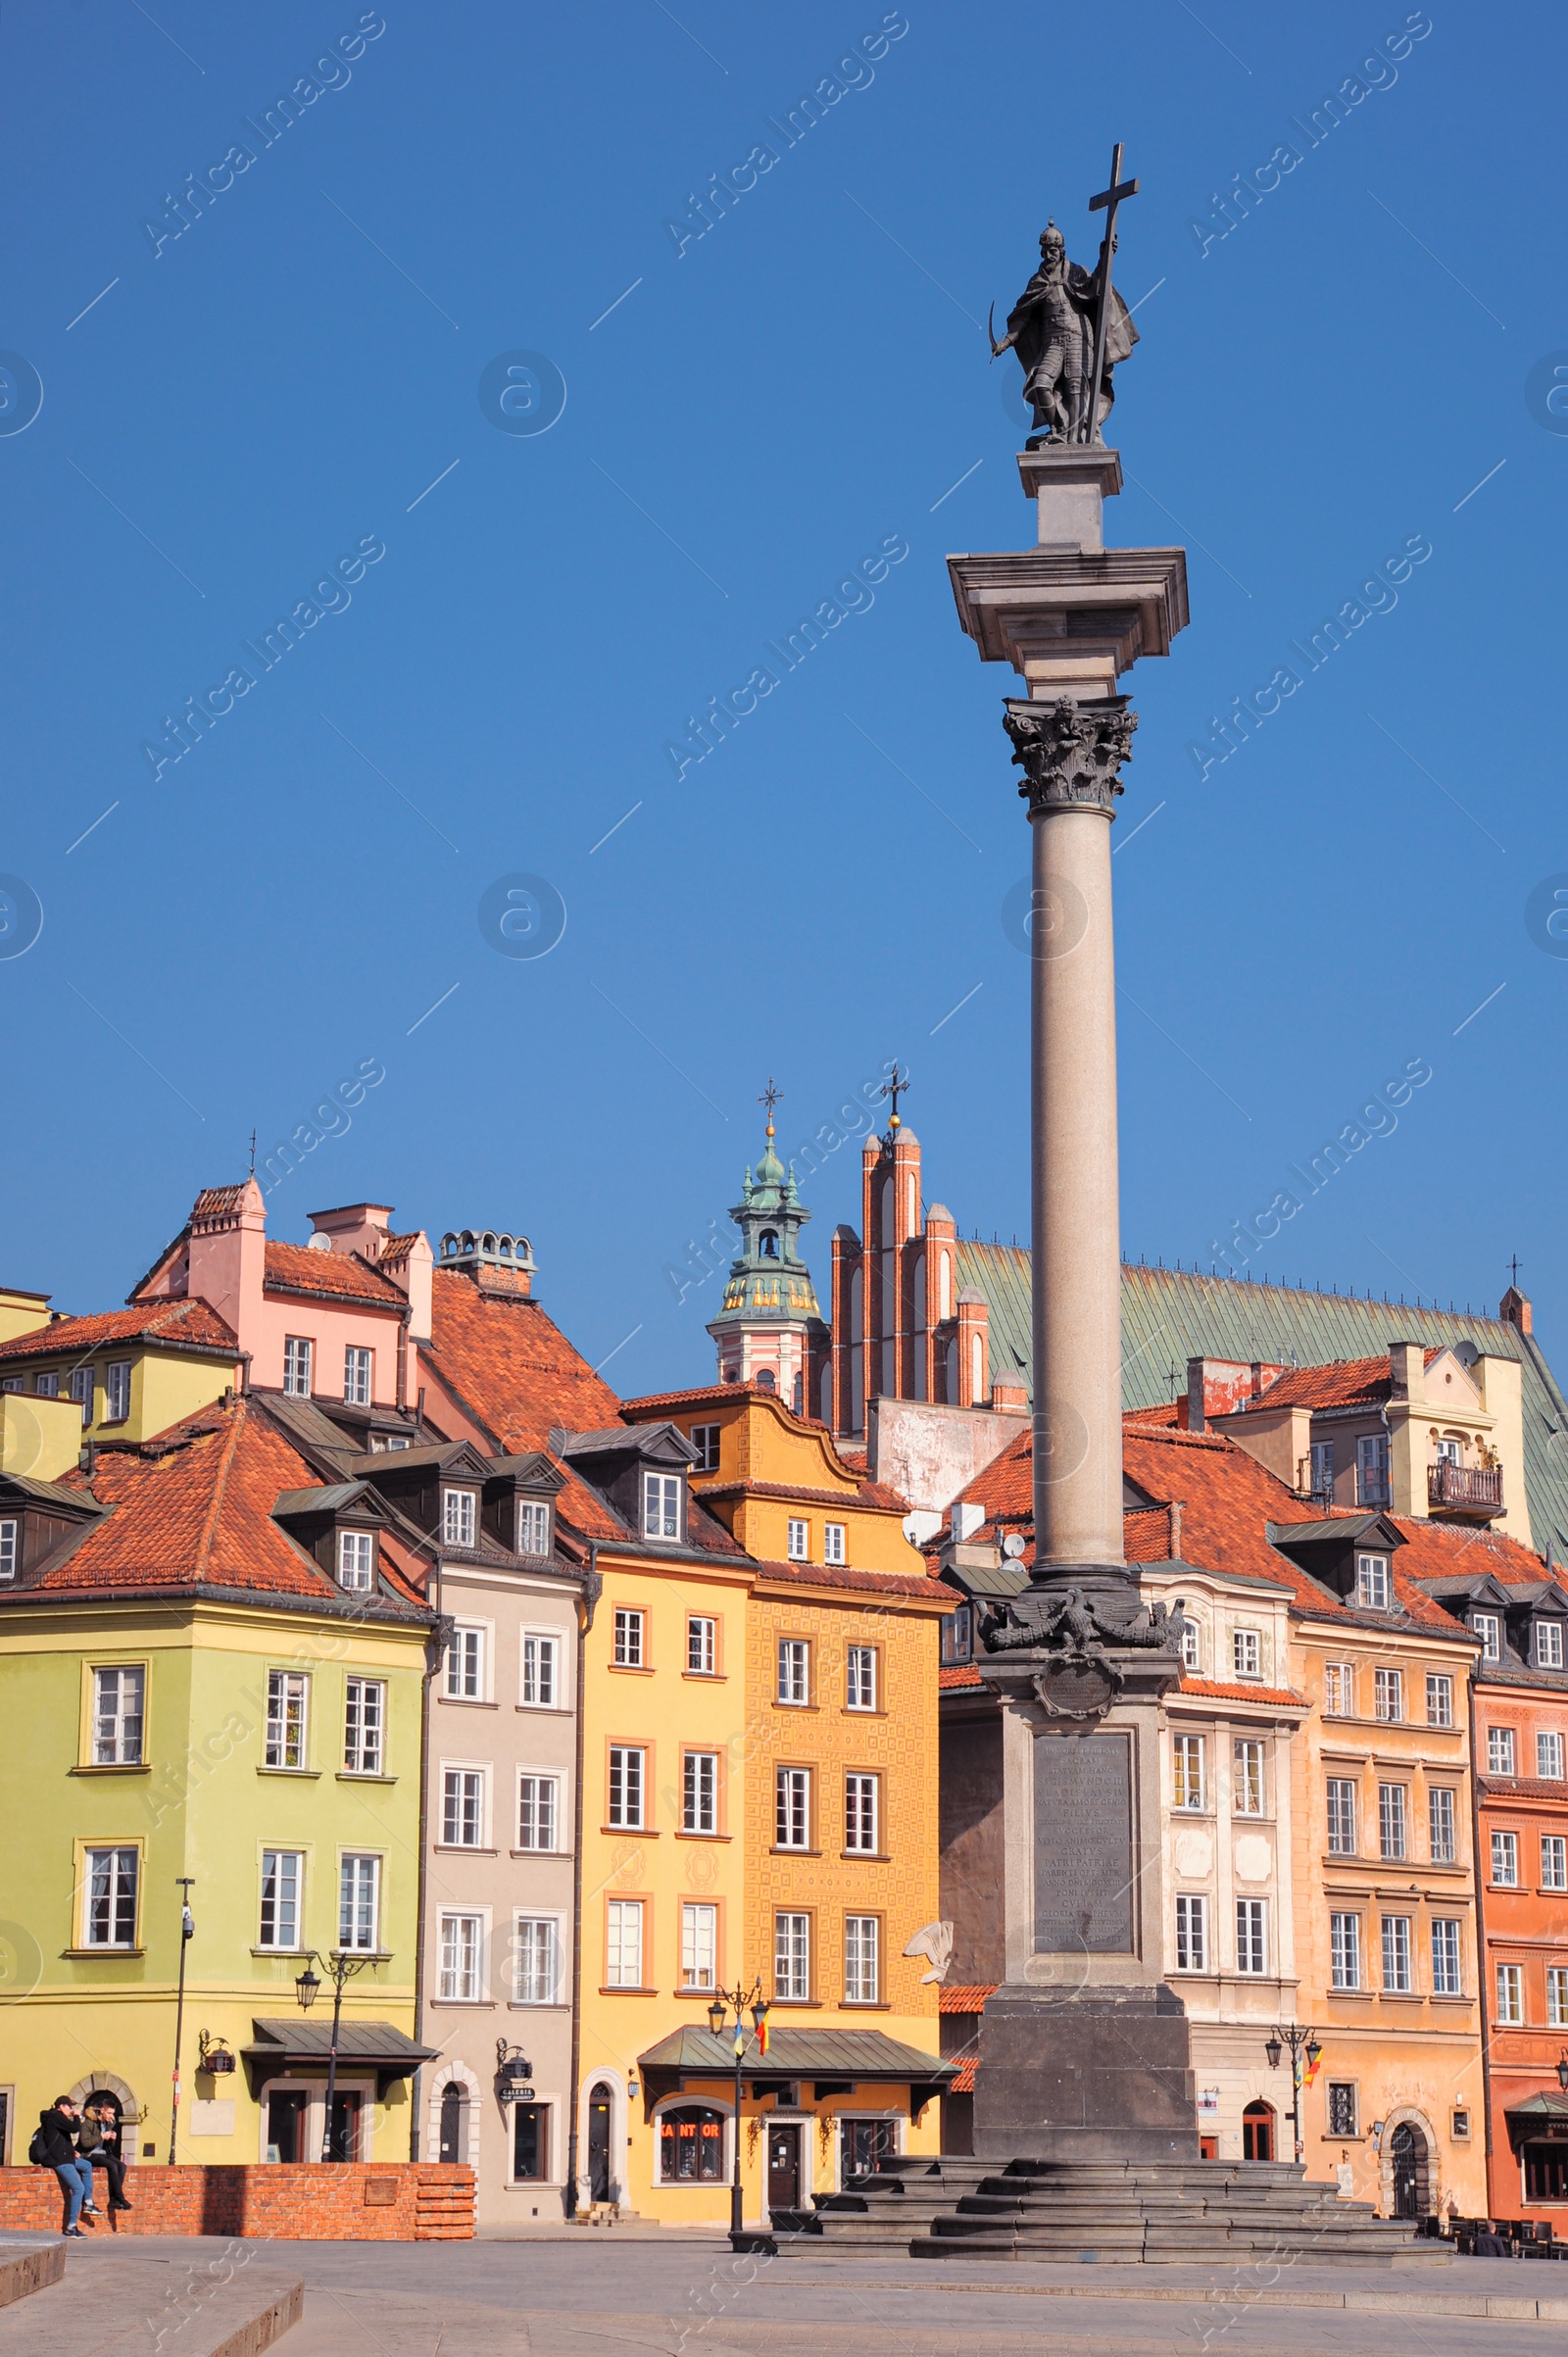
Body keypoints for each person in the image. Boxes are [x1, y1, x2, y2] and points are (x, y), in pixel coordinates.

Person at [34, 2099, 99, 2235]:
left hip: (65, 2157)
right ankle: (71, 2227)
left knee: (86, 2165)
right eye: (69, 2107)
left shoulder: (57, 2119)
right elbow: (75, 2128)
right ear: (61, 2106)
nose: (71, 2109)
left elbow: (62, 2141)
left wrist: (72, 2152)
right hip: (59, 2161)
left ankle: (88, 2203)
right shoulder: (56, 2116)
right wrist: (76, 2116)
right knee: (78, 2188)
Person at [77, 2099, 131, 2212]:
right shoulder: (89, 2123)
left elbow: (108, 2147)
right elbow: (85, 2143)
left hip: (103, 2153)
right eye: (109, 2113)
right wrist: (102, 2136)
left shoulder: (107, 2124)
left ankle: (113, 2200)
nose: (111, 2116)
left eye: (113, 2113)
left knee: (122, 2166)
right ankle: (120, 2198)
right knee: (111, 2165)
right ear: (102, 2111)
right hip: (89, 2154)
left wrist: (112, 2139)